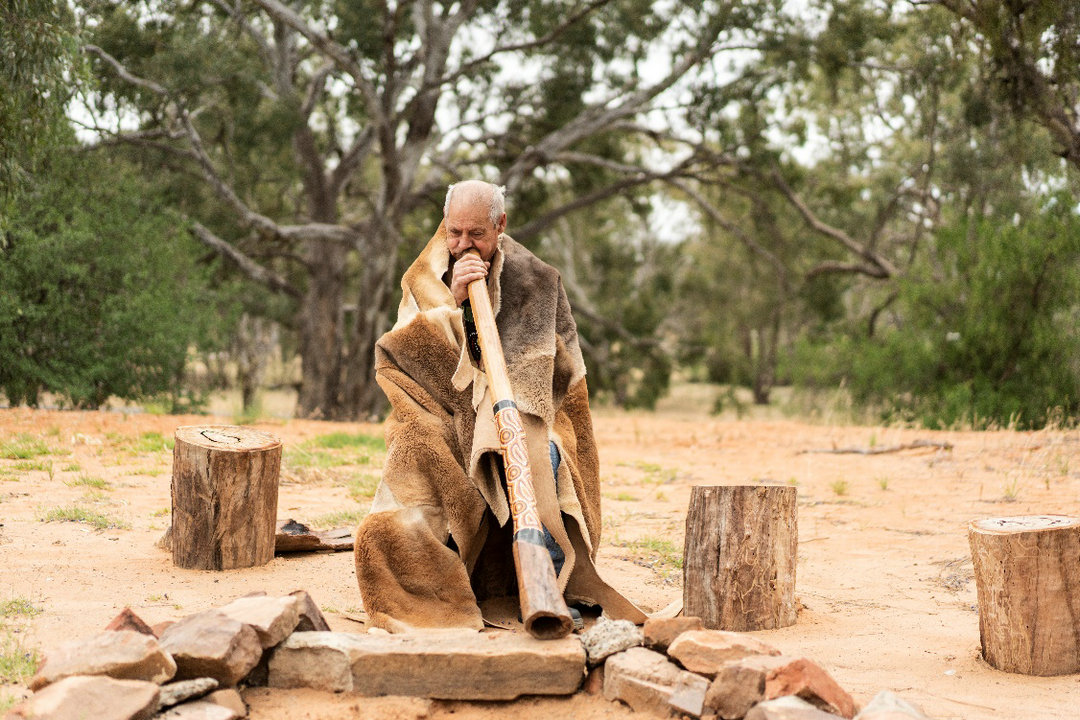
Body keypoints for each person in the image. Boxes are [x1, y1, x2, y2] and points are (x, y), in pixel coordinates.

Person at [354, 180, 646, 633]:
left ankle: (552, 578)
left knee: (542, 449)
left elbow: (561, 365)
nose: (463, 245)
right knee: (416, 451)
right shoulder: (424, 276)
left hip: (525, 408)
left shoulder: (537, 280)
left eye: (477, 234)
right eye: (455, 233)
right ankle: (434, 584)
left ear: (500, 225)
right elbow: (401, 355)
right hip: (443, 409)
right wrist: (452, 308)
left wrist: (513, 404)